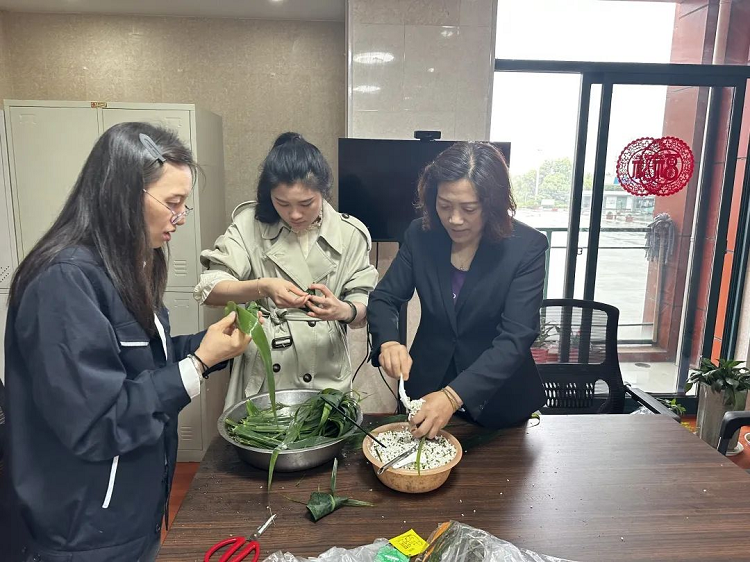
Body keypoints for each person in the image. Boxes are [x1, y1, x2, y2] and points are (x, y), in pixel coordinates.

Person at [4, 123, 252, 562]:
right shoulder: (63, 282)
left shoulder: (124, 266)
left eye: (184, 205)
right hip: (84, 531)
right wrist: (196, 364)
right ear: (122, 195)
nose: (180, 217)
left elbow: (141, 366)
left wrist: (210, 349)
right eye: (172, 203)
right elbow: (97, 421)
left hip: (129, 514)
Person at [367, 141, 547, 438]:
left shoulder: (526, 247)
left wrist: (453, 396)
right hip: (427, 387)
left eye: (469, 208)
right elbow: (385, 298)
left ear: (492, 204)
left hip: (498, 401)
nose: (454, 219)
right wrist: (388, 342)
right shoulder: (421, 235)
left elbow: (515, 337)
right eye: (444, 205)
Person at [194, 132, 378, 409]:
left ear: (324, 192)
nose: (294, 214)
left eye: (306, 203)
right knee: (262, 434)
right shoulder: (249, 225)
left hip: (326, 369)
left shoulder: (350, 234)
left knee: (324, 432)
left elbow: (364, 302)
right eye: (282, 203)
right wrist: (262, 287)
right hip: (267, 369)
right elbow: (210, 289)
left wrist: (343, 310)